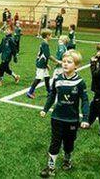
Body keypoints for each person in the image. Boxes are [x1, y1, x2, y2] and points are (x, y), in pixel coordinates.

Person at [39, 50, 90, 178]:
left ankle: (67, 160)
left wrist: (85, 118)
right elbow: (52, 96)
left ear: (76, 65)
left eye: (69, 62)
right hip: (57, 117)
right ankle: (51, 168)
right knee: (55, 142)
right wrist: (45, 109)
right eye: (64, 61)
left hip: (72, 120)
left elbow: (84, 100)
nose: (65, 64)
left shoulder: (80, 82)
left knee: (68, 143)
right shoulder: (57, 78)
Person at [26, 29, 61, 99]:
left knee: (47, 77)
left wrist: (46, 64)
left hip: (43, 63)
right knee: (39, 78)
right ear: (47, 36)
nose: (51, 37)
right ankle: (30, 91)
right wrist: (57, 61)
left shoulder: (44, 43)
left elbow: (44, 55)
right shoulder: (45, 44)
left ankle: (49, 91)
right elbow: (48, 55)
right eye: (51, 35)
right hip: (40, 64)